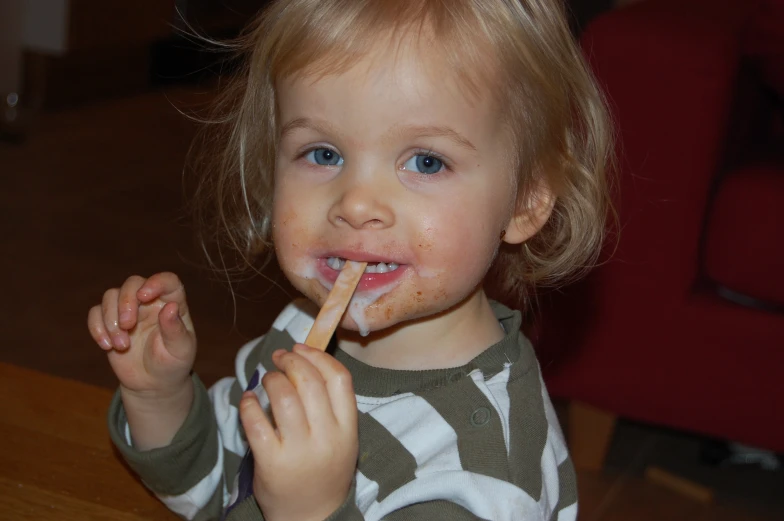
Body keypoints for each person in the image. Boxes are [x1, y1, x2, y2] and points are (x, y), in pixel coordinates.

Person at [87, 0, 611, 519]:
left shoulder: (483, 476)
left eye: (426, 161)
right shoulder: (304, 331)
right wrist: (159, 396)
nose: (356, 203)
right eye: (324, 154)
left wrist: (310, 512)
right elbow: (218, 490)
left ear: (525, 201)